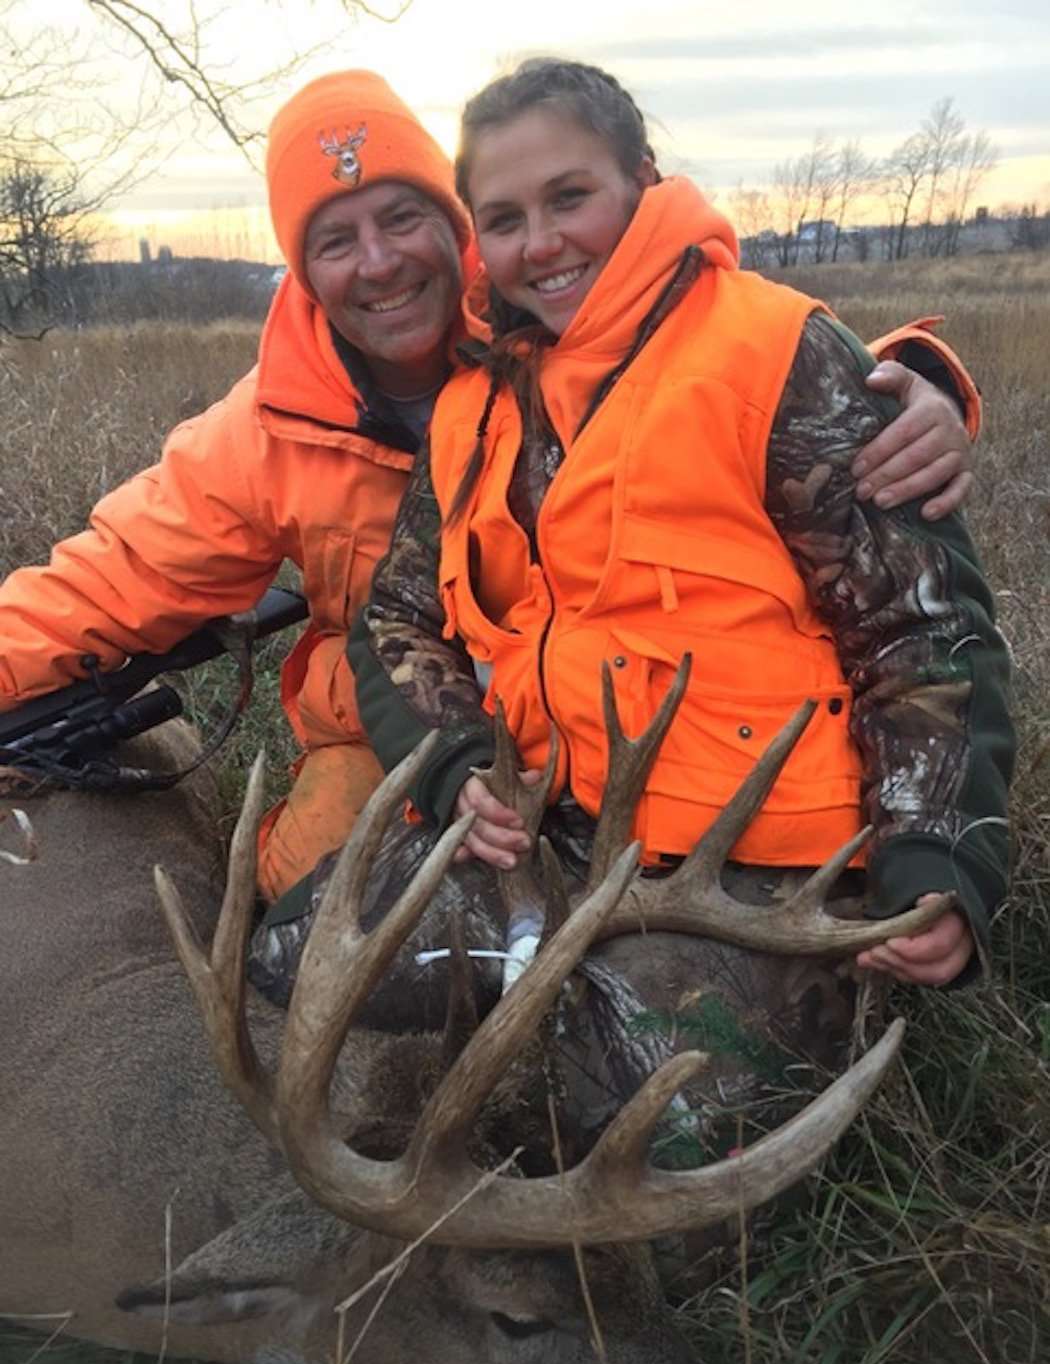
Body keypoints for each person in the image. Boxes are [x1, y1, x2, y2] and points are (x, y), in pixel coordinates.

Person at [0, 69, 979, 906]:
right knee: (313, 914)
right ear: (302, 270)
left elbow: (722, 340)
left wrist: (905, 383)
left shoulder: (542, 304)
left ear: (453, 224)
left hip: (614, 728)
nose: (379, 263)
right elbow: (102, 584)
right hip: (395, 725)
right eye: (336, 240)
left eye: (401, 218)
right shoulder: (265, 433)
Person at [349, 58, 1012, 989]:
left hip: (756, 875)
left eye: (569, 197)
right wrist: (455, 759)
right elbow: (396, 617)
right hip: (543, 840)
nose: (540, 243)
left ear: (642, 181)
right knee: (300, 971)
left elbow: (923, 629)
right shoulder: (477, 405)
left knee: (630, 1104)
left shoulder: (774, 352)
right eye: (503, 219)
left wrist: (934, 863)